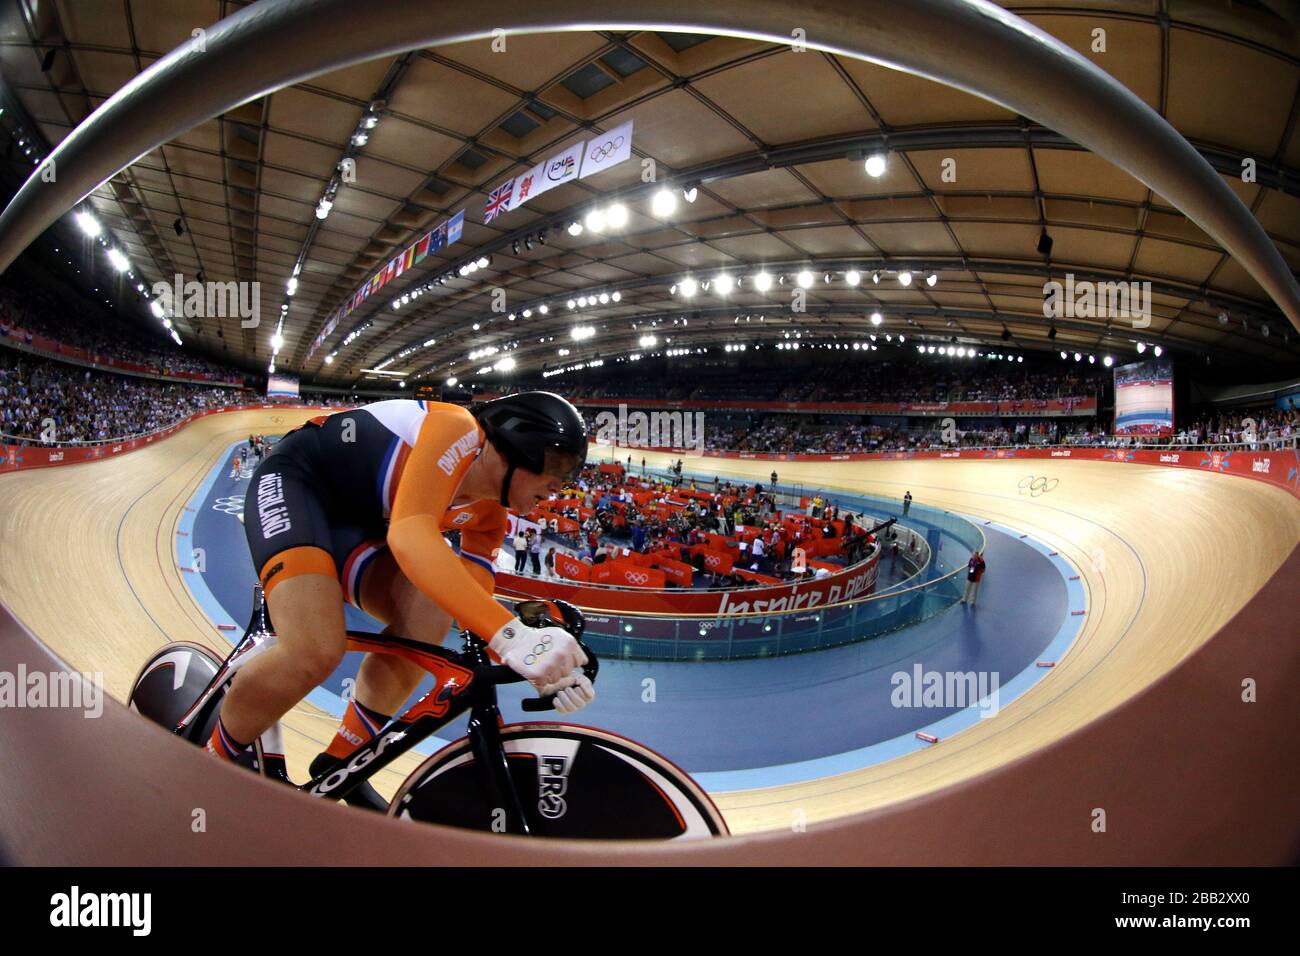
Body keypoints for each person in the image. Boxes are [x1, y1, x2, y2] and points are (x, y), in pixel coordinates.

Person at [213, 391, 594, 810]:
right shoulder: (457, 430)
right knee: (314, 649)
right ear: (514, 446)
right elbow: (411, 535)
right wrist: (511, 636)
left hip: (354, 526)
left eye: (571, 473)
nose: (561, 485)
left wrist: (542, 664)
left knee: (432, 615)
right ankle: (207, 766)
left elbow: (470, 608)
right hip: (297, 482)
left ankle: (343, 762)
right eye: (556, 467)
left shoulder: (490, 517)